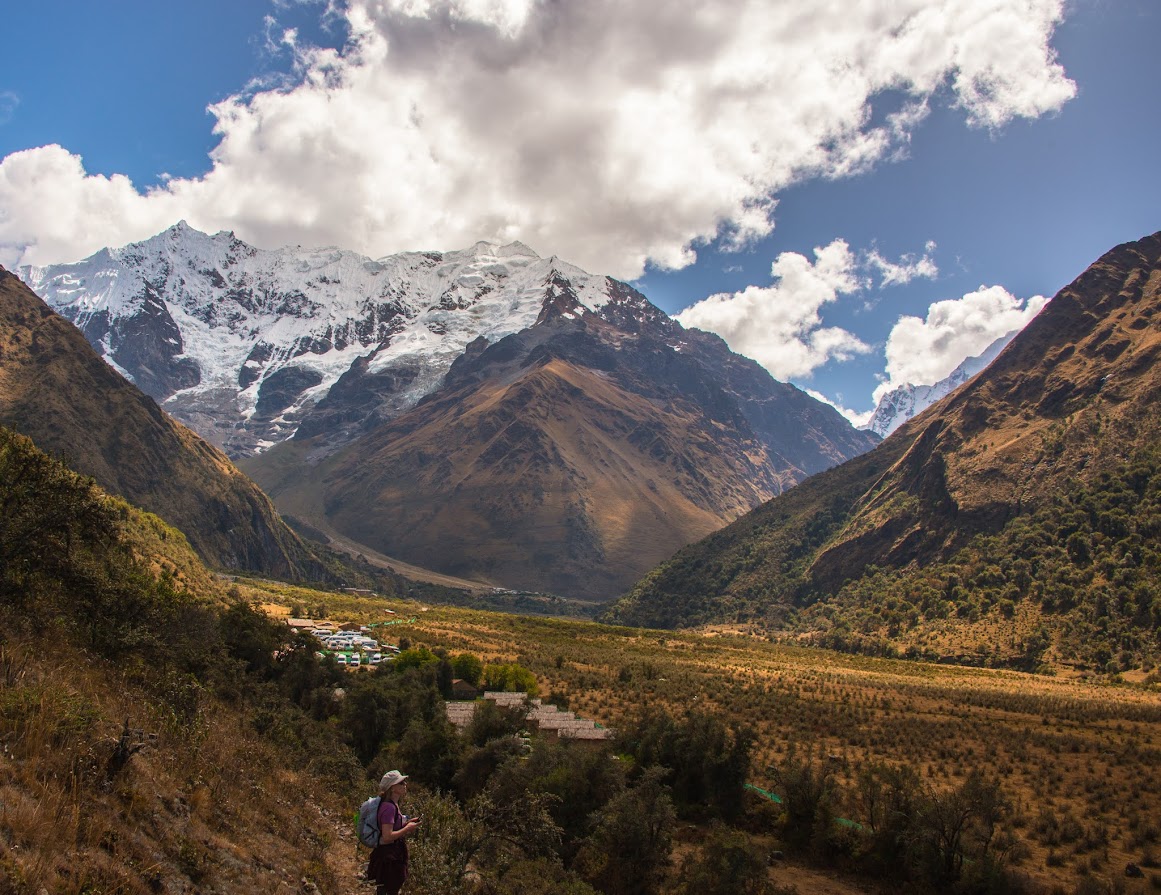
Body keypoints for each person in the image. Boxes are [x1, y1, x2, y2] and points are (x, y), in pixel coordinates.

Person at [367, 770, 421, 895]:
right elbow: (387, 836)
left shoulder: (392, 805)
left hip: (389, 855)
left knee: (385, 889)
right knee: (389, 889)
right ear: (392, 788)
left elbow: (392, 828)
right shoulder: (389, 808)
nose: (405, 784)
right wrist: (407, 829)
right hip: (389, 857)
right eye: (401, 782)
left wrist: (407, 823)